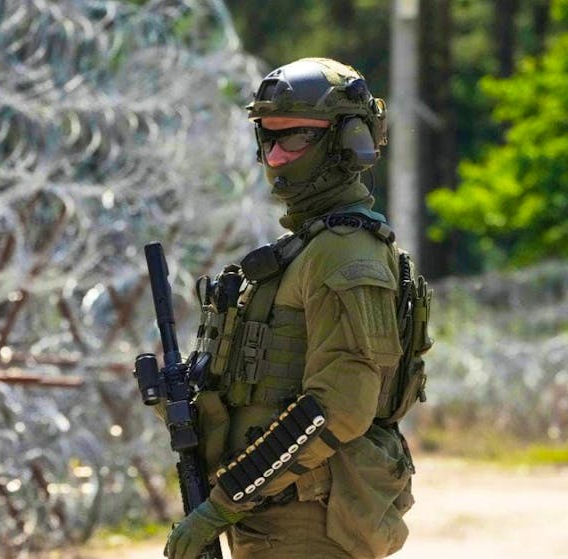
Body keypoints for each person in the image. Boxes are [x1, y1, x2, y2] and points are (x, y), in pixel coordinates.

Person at [163, 58, 432, 559]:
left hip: (311, 524)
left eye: (294, 139)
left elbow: (339, 410)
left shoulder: (345, 253)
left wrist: (226, 502)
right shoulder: (306, 250)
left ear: (346, 142)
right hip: (277, 517)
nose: (276, 157)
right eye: (267, 138)